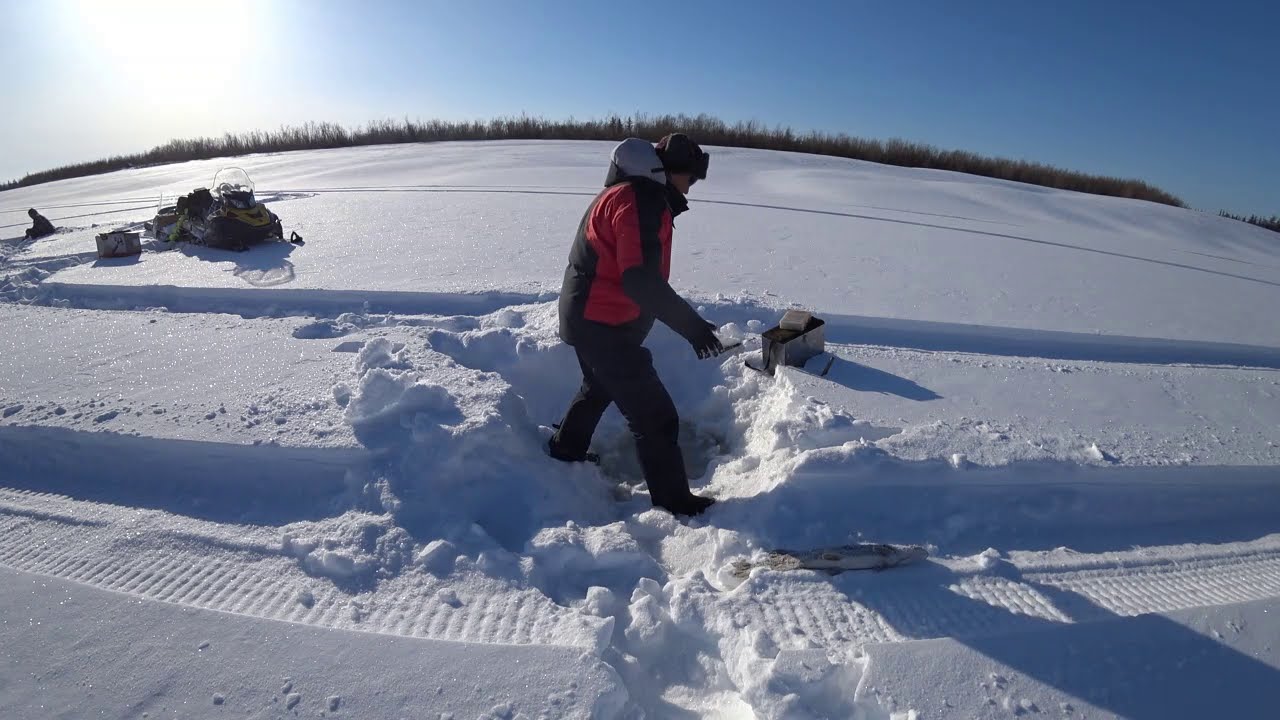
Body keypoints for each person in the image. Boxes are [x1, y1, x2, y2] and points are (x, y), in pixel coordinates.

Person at [550, 134, 724, 517]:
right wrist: (692, 327)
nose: (691, 187)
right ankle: (675, 504)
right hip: (600, 323)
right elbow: (640, 280)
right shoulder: (639, 199)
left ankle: (566, 449)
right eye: (690, 179)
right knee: (656, 417)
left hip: (592, 317)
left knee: (597, 387)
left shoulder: (630, 194)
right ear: (668, 172)